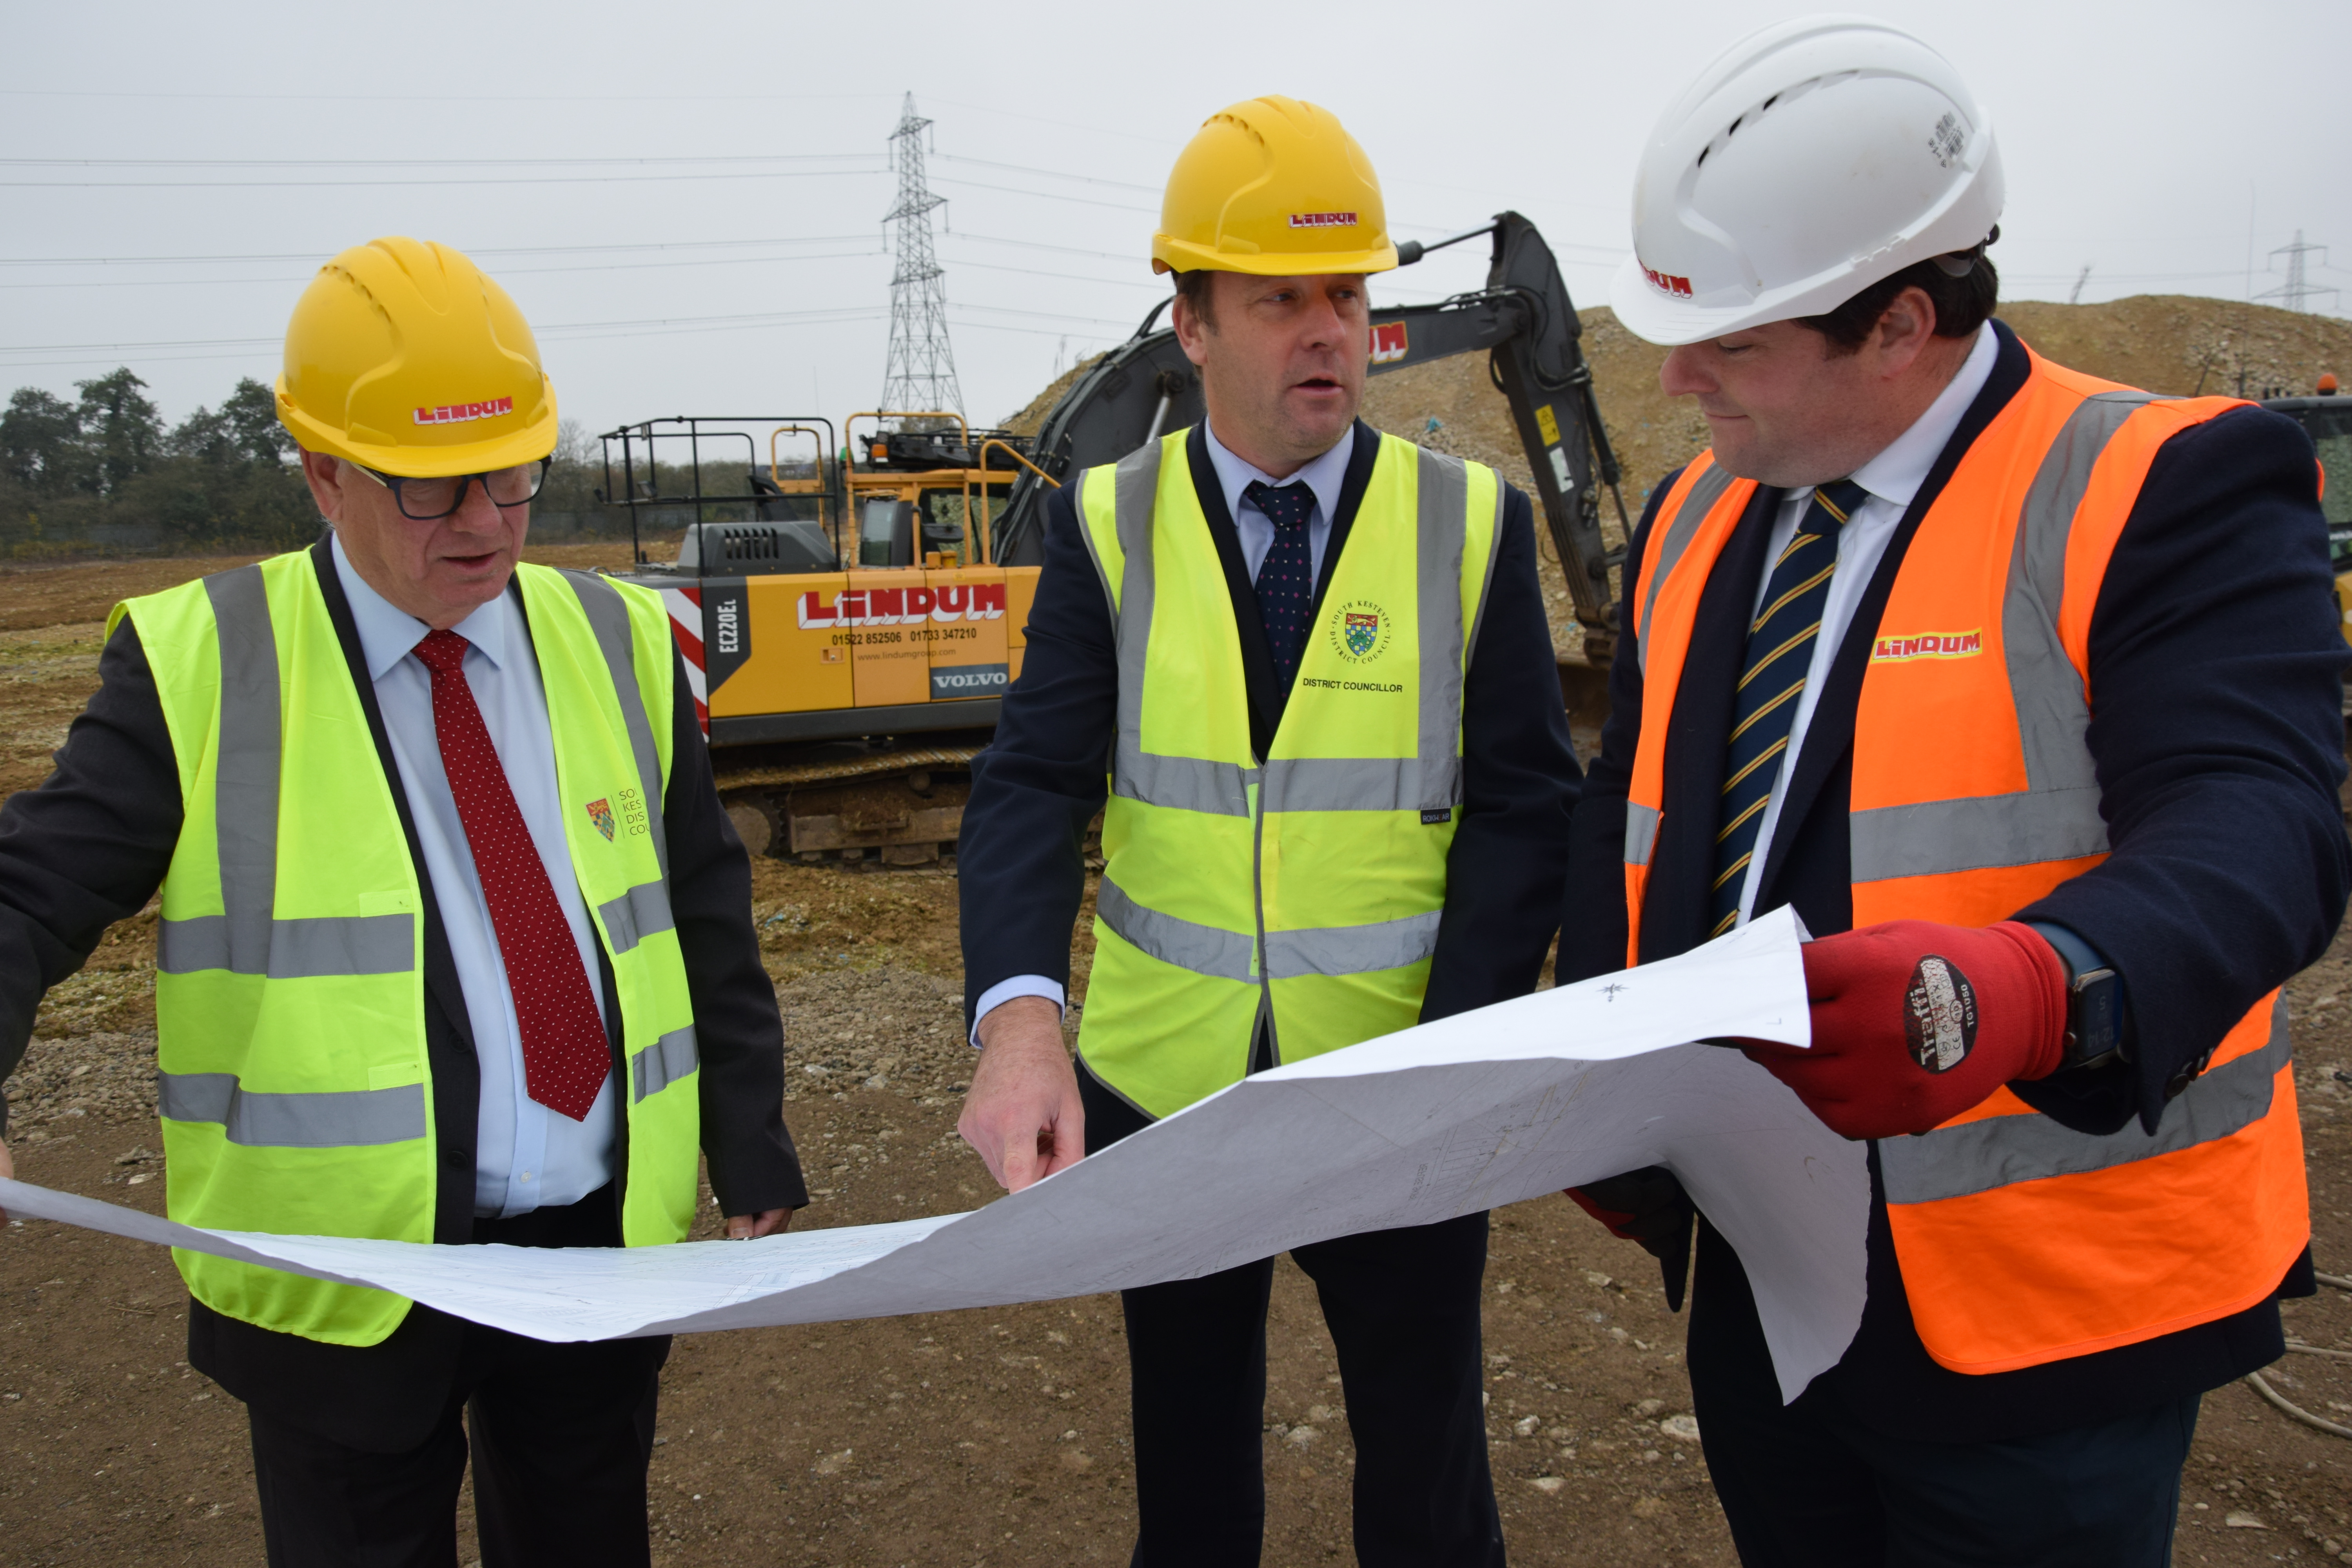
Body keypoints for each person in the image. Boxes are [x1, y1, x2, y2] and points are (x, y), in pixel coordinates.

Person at [1559, 18, 2348, 1567]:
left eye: (1733, 341)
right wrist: (1602, 1075)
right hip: (1763, 1285)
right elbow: (1632, 807)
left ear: (1903, 324)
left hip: (2045, 1327)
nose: (1675, 376)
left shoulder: (2157, 483)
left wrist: (2036, 983)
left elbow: (2267, 823)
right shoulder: (1698, 512)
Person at [0, 237, 807, 1567]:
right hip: (347, 1290)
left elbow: (704, 907)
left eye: (515, 472)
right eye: (435, 491)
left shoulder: (617, 640)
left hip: (592, 1257)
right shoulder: (203, 667)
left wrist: (751, 1131)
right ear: (322, 471)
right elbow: (30, 892)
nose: (489, 521)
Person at [954, 96, 1577, 1567]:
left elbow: (1526, 807)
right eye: (1280, 298)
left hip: (1400, 1089)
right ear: (1192, 323)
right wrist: (1021, 1020)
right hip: (1170, 1092)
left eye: (1348, 295)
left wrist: (1459, 1050)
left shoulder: (1468, 525)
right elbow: (1034, 784)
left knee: (1428, 1470)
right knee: (1189, 1471)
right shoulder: (1104, 524)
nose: (1328, 332)